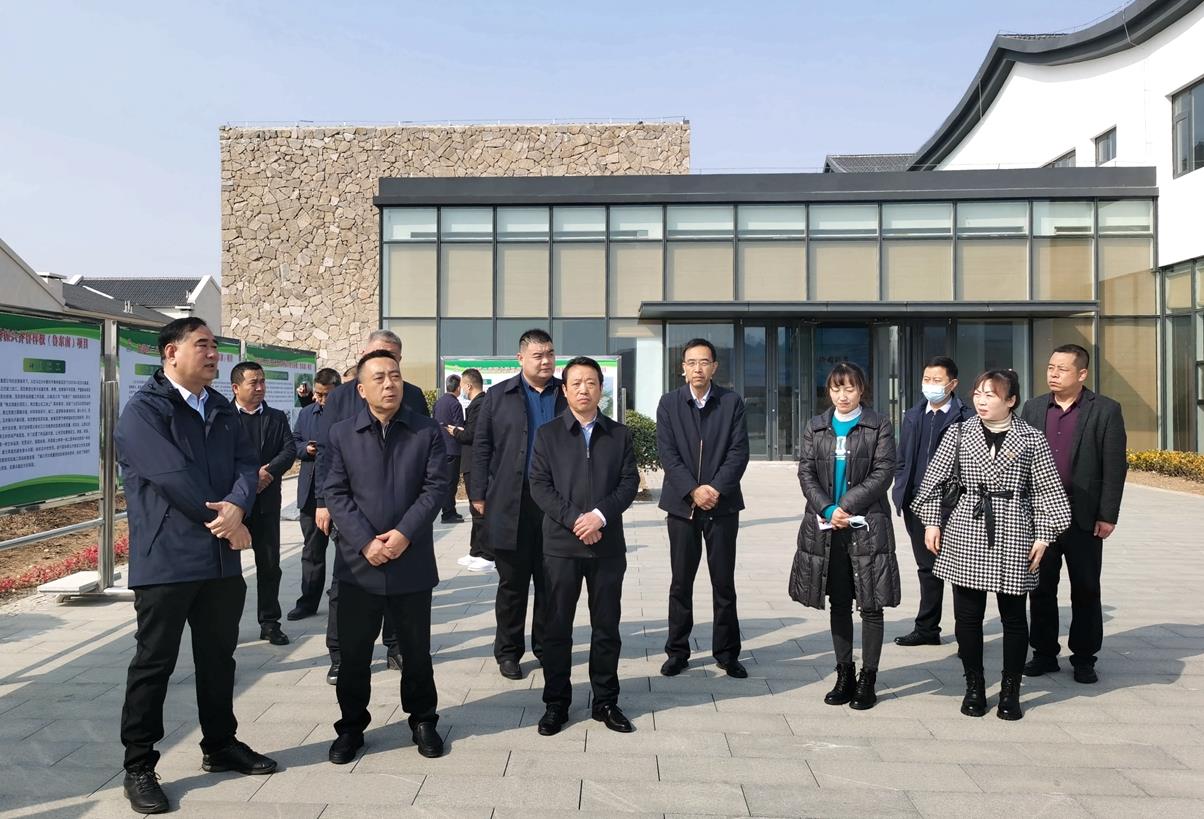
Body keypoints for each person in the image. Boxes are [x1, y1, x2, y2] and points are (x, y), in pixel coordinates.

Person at [116, 318, 276, 814]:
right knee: (154, 663)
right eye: (202, 345)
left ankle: (220, 744)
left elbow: (247, 464)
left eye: (214, 346)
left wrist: (238, 506)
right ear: (171, 352)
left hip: (219, 561)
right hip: (167, 559)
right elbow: (172, 477)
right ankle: (139, 765)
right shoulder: (144, 411)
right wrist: (228, 522)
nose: (213, 354)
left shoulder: (221, 408)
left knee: (218, 657)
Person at [913, 369, 1071, 720]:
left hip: (1015, 527)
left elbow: (1048, 491)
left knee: (1013, 616)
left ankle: (1011, 690)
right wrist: (932, 521)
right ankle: (974, 685)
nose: (981, 401)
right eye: (978, 393)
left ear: (1011, 400)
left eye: (991, 395)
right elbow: (933, 481)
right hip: (967, 526)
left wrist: (1044, 535)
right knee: (967, 616)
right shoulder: (958, 432)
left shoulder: (1031, 438)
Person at [323, 350, 449, 763]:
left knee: (416, 652)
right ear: (361, 389)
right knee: (354, 655)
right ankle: (351, 727)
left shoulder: (425, 431)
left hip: (410, 560)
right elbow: (335, 492)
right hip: (358, 564)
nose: (389, 383)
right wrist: (365, 542)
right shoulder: (342, 434)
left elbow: (435, 487)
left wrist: (404, 534)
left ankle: (423, 720)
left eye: (394, 375)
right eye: (378, 378)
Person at [529, 357, 640, 736]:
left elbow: (628, 483)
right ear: (564, 389)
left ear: (600, 388)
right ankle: (556, 703)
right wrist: (577, 519)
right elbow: (539, 485)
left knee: (606, 627)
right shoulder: (548, 434)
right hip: (561, 547)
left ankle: (605, 701)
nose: (583, 389)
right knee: (557, 628)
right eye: (575, 383)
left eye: (590, 382)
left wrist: (600, 517)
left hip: (606, 547)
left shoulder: (619, 435)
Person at [313, 330, 430, 683]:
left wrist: (406, 531)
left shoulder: (412, 396)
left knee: (402, 591)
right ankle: (339, 654)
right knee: (344, 590)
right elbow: (327, 456)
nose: (388, 379)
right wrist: (323, 502)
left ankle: (395, 646)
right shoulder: (341, 398)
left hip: (403, 519)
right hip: (355, 519)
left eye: (393, 362)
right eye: (378, 359)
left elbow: (430, 470)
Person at [791, 362, 899, 710]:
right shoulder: (816, 426)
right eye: (836, 388)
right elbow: (806, 472)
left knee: (871, 604)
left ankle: (868, 678)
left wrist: (846, 506)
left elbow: (883, 472)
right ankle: (844, 674)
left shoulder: (878, 424)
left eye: (850, 388)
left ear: (861, 390)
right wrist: (827, 508)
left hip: (867, 526)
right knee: (839, 602)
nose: (843, 395)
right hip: (827, 528)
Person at [1021, 344, 1127, 684]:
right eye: (1050, 367)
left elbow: (1114, 466)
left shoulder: (1105, 410)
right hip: (1041, 515)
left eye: (1062, 369)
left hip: (1083, 516)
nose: (1053, 374)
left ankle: (1084, 657)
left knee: (1085, 588)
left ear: (1082, 374)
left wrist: (1108, 514)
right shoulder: (1034, 407)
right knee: (1040, 588)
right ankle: (1043, 653)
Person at [470, 328, 566, 680]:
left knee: (551, 581)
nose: (546, 361)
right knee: (512, 583)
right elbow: (482, 446)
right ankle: (508, 651)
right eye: (538, 355)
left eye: (550, 354)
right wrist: (478, 493)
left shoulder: (565, 393)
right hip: (512, 501)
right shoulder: (499, 396)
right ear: (521, 358)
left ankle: (545, 646)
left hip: (555, 502)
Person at [656, 338, 750, 678]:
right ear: (683, 368)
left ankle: (727, 653)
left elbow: (738, 452)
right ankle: (677, 651)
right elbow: (668, 454)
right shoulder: (669, 404)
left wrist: (714, 489)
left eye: (704, 362)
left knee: (723, 582)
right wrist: (693, 491)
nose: (698, 368)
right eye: (691, 362)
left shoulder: (731, 402)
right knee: (680, 582)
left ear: (714, 367)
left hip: (722, 506)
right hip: (682, 507)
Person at [892, 356, 973, 647]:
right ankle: (927, 629)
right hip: (917, 502)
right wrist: (900, 488)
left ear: (952, 384)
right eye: (927, 379)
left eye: (937, 380)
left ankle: (967, 635)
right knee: (927, 568)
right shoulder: (914, 415)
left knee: (960, 571)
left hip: (953, 505)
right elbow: (902, 457)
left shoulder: (966, 418)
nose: (930, 385)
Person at [230, 361, 297, 646]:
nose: (260, 387)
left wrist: (268, 471)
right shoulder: (222, 417)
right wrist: (248, 479)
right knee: (228, 572)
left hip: (267, 503)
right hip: (233, 505)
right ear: (236, 387)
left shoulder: (276, 417)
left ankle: (270, 623)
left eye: (262, 381)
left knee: (269, 565)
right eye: (253, 382)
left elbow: (289, 450)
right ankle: (226, 626)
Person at [288, 367, 342, 623]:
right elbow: (294, 441)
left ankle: (341, 597)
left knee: (345, 550)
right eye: (318, 394)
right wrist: (305, 449)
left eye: (325, 395)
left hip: (340, 492)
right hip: (310, 492)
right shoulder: (307, 412)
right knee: (312, 550)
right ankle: (308, 601)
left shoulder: (348, 414)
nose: (320, 399)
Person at [452, 368, 494, 572]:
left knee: (479, 508)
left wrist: (455, 432)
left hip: (476, 463)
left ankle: (488, 554)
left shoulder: (480, 405)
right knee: (474, 508)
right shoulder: (477, 404)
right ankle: (475, 551)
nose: (461, 389)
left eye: (462, 385)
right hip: (471, 463)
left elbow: (473, 435)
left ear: (468, 385)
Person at [433, 373, 466, 524]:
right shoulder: (455, 404)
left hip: (441, 448)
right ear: (458, 388)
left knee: (446, 482)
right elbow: (459, 427)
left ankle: (450, 511)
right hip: (453, 448)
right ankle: (448, 513)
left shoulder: (438, 402)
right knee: (451, 483)